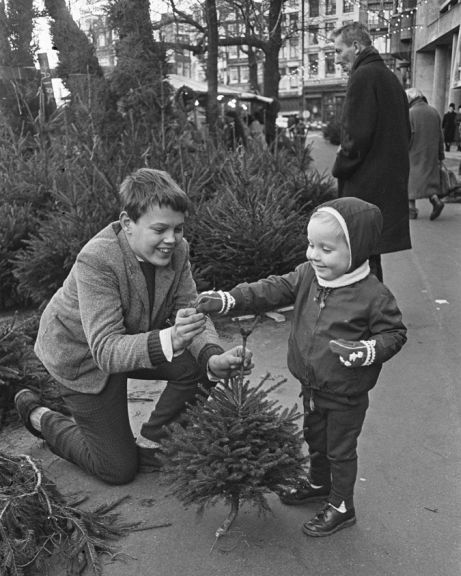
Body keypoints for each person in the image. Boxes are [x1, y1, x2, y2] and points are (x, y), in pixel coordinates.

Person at [14, 168, 252, 485]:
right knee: (117, 469)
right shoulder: (97, 260)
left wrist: (212, 356)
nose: (172, 239)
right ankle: (40, 417)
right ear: (128, 224)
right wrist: (171, 337)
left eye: (178, 229)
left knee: (199, 364)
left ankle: (154, 443)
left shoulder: (179, 252)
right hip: (83, 358)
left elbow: (190, 310)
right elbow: (106, 352)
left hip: (132, 342)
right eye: (160, 229)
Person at [195, 197, 407, 537]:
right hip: (311, 385)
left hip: (345, 392)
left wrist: (367, 350)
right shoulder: (309, 275)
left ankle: (341, 505)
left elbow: (394, 334)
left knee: (339, 449)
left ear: (357, 250)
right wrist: (230, 299)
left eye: (326, 248)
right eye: (311, 245)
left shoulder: (373, 294)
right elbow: (273, 288)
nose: (313, 254)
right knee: (315, 438)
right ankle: (319, 483)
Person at [331, 22, 411, 283]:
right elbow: (406, 132)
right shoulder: (389, 78)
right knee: (369, 254)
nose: (338, 57)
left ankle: (372, 316)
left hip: (365, 184)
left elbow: (355, 136)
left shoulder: (363, 77)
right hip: (386, 182)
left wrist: (340, 166)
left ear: (356, 46)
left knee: (361, 254)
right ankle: (376, 314)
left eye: (339, 50)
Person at [406, 88, 445, 221]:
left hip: (414, 154)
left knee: (411, 181)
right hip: (431, 154)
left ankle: (411, 210)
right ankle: (435, 201)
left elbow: (407, 136)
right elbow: (441, 136)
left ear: (410, 99)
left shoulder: (410, 113)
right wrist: (441, 155)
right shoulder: (434, 112)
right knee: (429, 182)